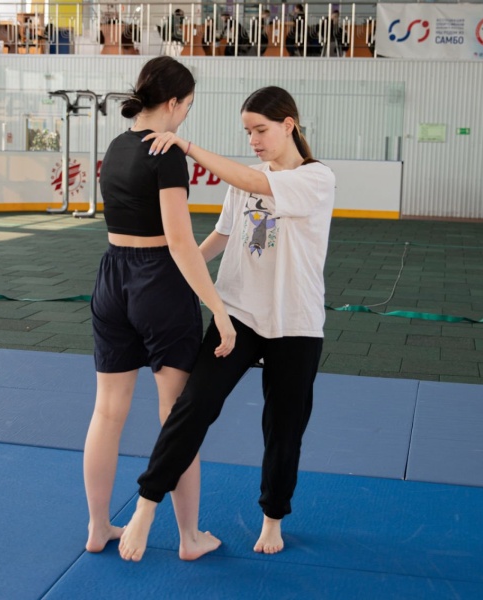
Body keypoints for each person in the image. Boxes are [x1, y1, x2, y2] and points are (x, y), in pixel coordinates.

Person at [118, 86, 336, 562]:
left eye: (261, 130)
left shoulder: (317, 178)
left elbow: (258, 184)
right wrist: (181, 273)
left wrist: (188, 146)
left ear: (289, 126)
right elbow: (222, 234)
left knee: (284, 427)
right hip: (237, 314)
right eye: (247, 132)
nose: (253, 140)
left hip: (296, 323)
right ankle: (146, 506)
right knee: (193, 406)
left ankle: (273, 516)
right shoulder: (246, 180)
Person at [83, 55, 236, 560]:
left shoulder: (116, 146)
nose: (185, 116)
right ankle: (189, 537)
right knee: (177, 415)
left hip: (112, 278)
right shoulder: (165, 153)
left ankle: (98, 527)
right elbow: (179, 241)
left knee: (107, 411)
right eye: (187, 106)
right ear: (173, 102)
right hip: (158, 285)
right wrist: (217, 307)